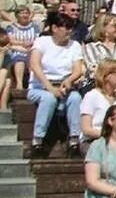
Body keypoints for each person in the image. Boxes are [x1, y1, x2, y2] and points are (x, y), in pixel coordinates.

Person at [27, 11, 85, 156]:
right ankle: (37, 140)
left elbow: (77, 69)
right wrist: (50, 88)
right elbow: (35, 64)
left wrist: (69, 80)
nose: (69, 31)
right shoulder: (42, 42)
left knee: (75, 98)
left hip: (64, 86)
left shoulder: (75, 45)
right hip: (40, 86)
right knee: (48, 98)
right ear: (54, 28)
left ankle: (74, 140)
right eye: (66, 28)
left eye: (71, 28)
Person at [80, 59, 116, 145]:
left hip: (115, 142)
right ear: (106, 76)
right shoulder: (92, 96)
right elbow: (86, 129)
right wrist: (108, 135)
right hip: (92, 141)